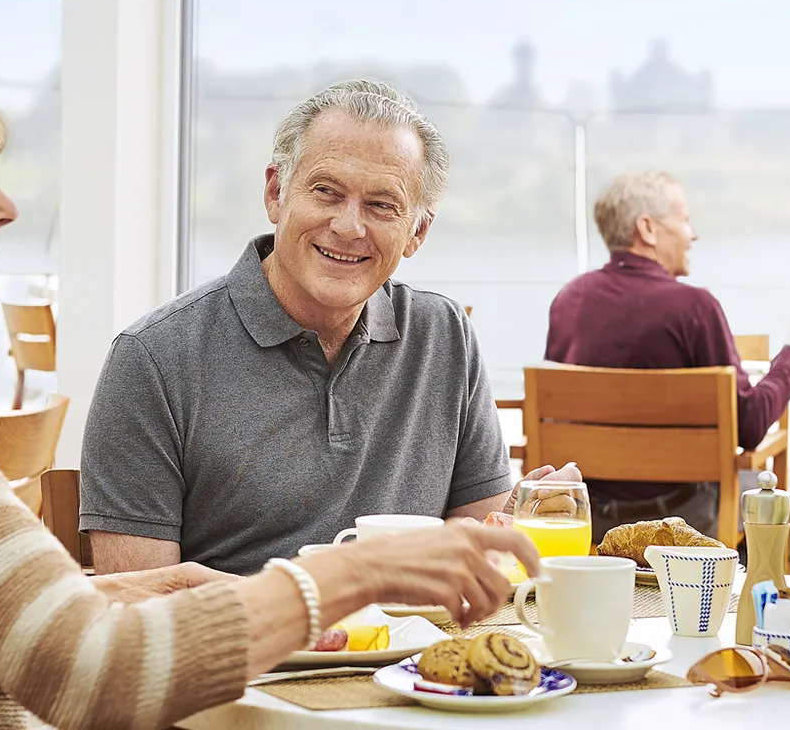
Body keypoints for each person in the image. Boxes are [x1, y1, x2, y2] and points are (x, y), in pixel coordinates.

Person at [0, 39, 541, 729]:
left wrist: (138, 588)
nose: (6, 207)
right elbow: (90, 675)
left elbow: (17, 622)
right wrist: (356, 573)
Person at [78, 79, 519, 576]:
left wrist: (526, 514)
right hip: (242, 652)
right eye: (326, 192)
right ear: (275, 192)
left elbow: (481, 553)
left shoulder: (446, 336)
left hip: (414, 651)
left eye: (381, 205)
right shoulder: (152, 360)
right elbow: (140, 609)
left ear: (417, 231)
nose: (349, 227)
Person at [544, 171, 790, 538]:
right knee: (757, 480)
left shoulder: (568, 299)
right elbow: (750, 427)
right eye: (684, 219)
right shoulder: (694, 307)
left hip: (590, 515)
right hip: (681, 520)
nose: (692, 233)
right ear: (647, 228)